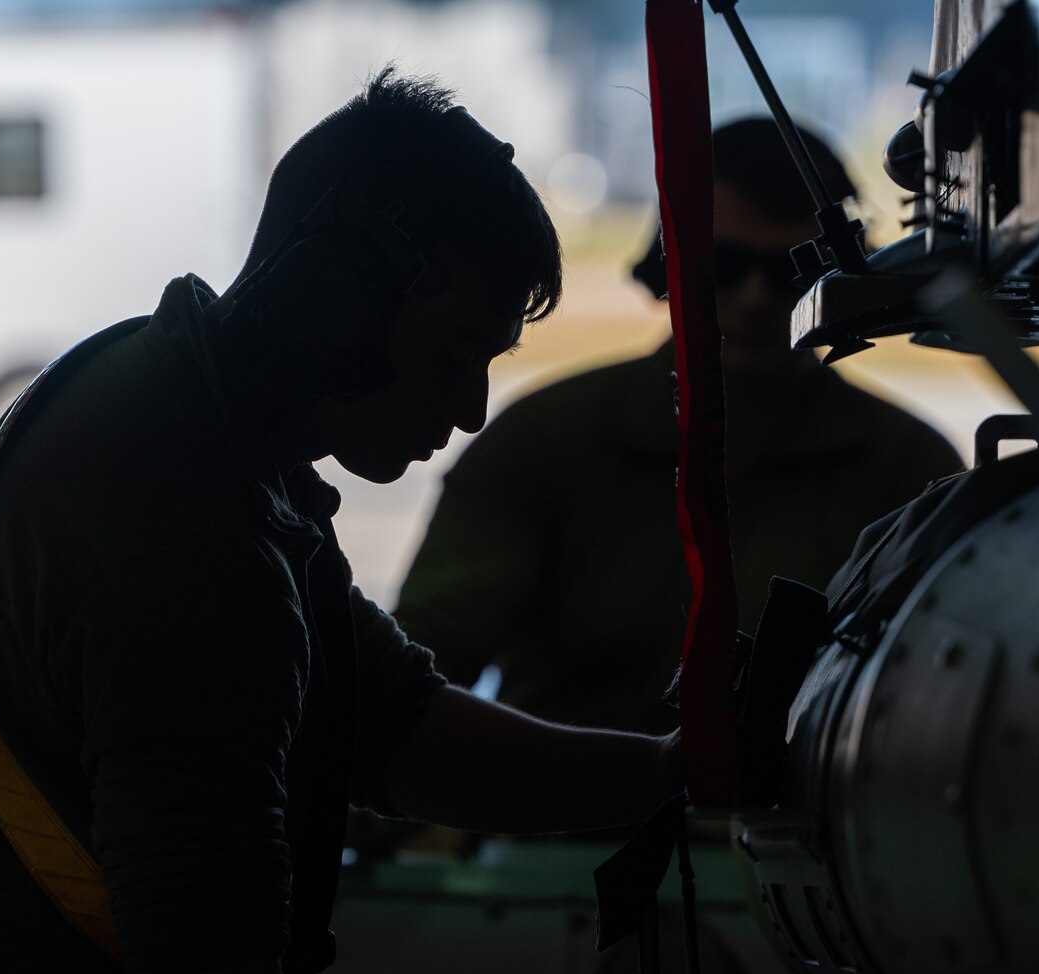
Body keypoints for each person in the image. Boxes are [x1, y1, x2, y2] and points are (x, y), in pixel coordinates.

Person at [0, 69, 679, 974]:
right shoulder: (185, 547)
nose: (470, 410)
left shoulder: (180, 407)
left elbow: (396, 726)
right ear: (333, 300)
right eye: (458, 354)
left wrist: (665, 775)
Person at [396, 117, 965, 733]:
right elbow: (415, 672)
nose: (755, 299)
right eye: (723, 266)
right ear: (668, 270)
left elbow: (949, 680)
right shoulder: (542, 440)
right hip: (564, 821)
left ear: (841, 282)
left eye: (790, 272)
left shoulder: (911, 466)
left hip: (809, 825)